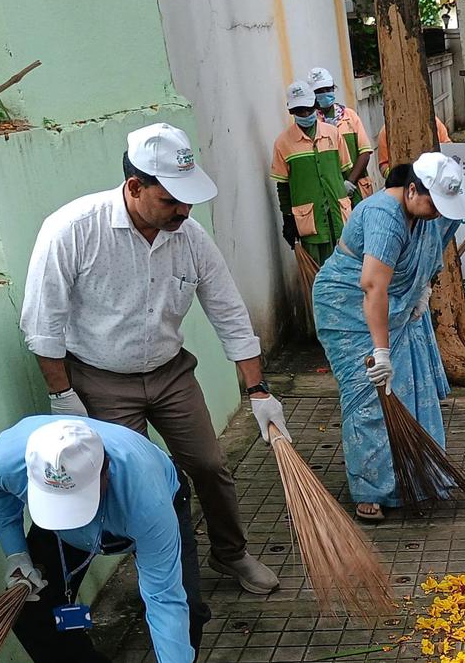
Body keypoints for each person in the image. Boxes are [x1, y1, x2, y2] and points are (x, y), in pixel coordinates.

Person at [19, 123, 284, 595]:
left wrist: (258, 389)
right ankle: (159, 580)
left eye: (188, 200)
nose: (183, 210)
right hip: (99, 380)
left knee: (208, 465)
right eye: (171, 200)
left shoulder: (191, 236)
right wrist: (63, 396)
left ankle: (231, 554)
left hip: (170, 373)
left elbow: (228, 311)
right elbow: (43, 324)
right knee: (133, 486)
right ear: (135, 186)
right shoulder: (73, 230)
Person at [312, 153, 465, 521]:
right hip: (350, 308)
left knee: (411, 387)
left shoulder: (433, 213)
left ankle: (415, 474)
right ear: (411, 189)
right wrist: (380, 353)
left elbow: (430, 256)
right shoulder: (385, 216)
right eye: (432, 202)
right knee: (369, 395)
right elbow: (373, 287)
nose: (438, 212)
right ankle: (372, 488)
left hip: (399, 306)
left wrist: (421, 292)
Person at [0, 418, 210, 662]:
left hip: (144, 505)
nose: (73, 518)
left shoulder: (147, 501)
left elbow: (163, 597)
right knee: (32, 610)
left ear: (105, 469)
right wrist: (16, 552)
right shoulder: (5, 459)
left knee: (186, 611)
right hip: (55, 525)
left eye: (77, 500)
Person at [271, 81, 353, 265]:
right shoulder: (283, 143)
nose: (305, 114)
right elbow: (283, 186)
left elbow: (345, 172)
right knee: (319, 275)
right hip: (310, 223)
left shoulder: (333, 134)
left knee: (348, 270)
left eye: (308, 108)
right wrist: (288, 220)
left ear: (315, 106)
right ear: (292, 112)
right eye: (300, 110)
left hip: (339, 217)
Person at [308, 67, 374, 202]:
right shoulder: (311, 123)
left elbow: (365, 152)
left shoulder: (349, 116)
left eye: (328, 89)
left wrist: (349, 182)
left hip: (357, 189)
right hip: (329, 194)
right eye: (320, 91)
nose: (326, 93)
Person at [376, 119, 452, 180]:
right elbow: (383, 165)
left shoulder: (434, 122)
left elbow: (449, 149)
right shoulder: (387, 131)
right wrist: (397, 179)